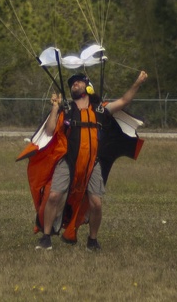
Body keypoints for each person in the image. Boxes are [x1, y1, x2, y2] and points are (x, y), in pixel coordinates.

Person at [27, 69, 148, 251]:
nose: (74, 84)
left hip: (93, 162)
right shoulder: (66, 110)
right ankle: (46, 238)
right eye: (72, 83)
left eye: (78, 81)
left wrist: (137, 83)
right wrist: (54, 107)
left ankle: (92, 240)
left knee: (96, 203)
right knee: (53, 196)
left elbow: (124, 101)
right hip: (68, 160)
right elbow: (50, 130)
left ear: (87, 86)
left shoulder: (100, 109)